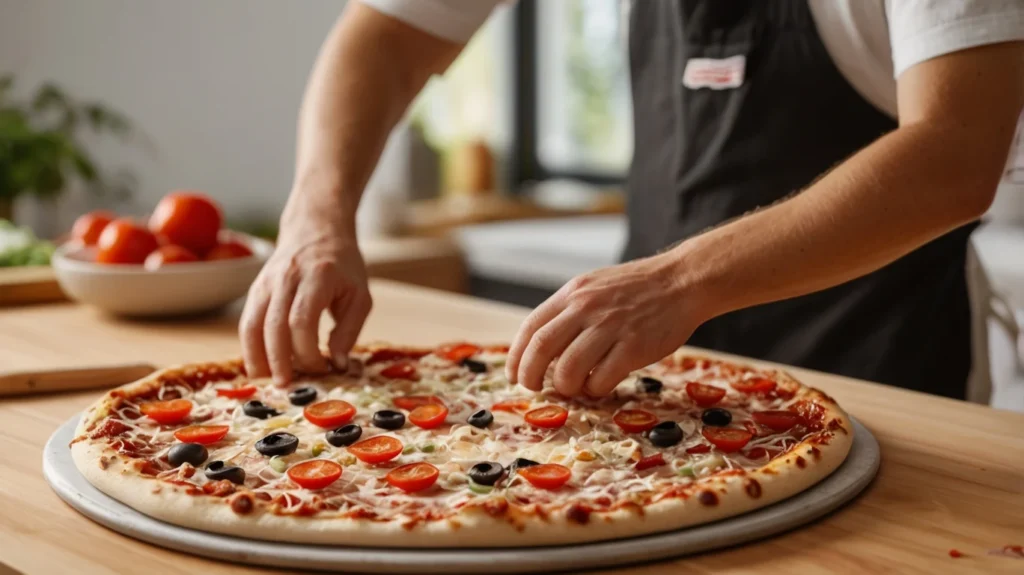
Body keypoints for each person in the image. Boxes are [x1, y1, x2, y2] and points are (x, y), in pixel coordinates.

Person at [239, 0, 1024, 401]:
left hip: (881, 377)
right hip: (641, 396)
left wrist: (681, 281)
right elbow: (386, 34)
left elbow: (956, 149)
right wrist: (315, 218)